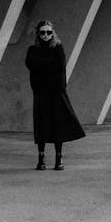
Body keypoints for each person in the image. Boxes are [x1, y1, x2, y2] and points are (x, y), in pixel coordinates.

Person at [25, 20, 86, 170]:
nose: (46, 35)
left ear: (53, 33)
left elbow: (58, 66)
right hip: (40, 93)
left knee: (58, 124)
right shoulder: (32, 50)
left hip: (56, 92)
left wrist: (42, 67)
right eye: (43, 32)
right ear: (38, 34)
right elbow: (31, 64)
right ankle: (41, 159)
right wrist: (48, 67)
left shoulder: (58, 48)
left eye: (49, 32)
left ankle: (59, 159)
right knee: (41, 124)